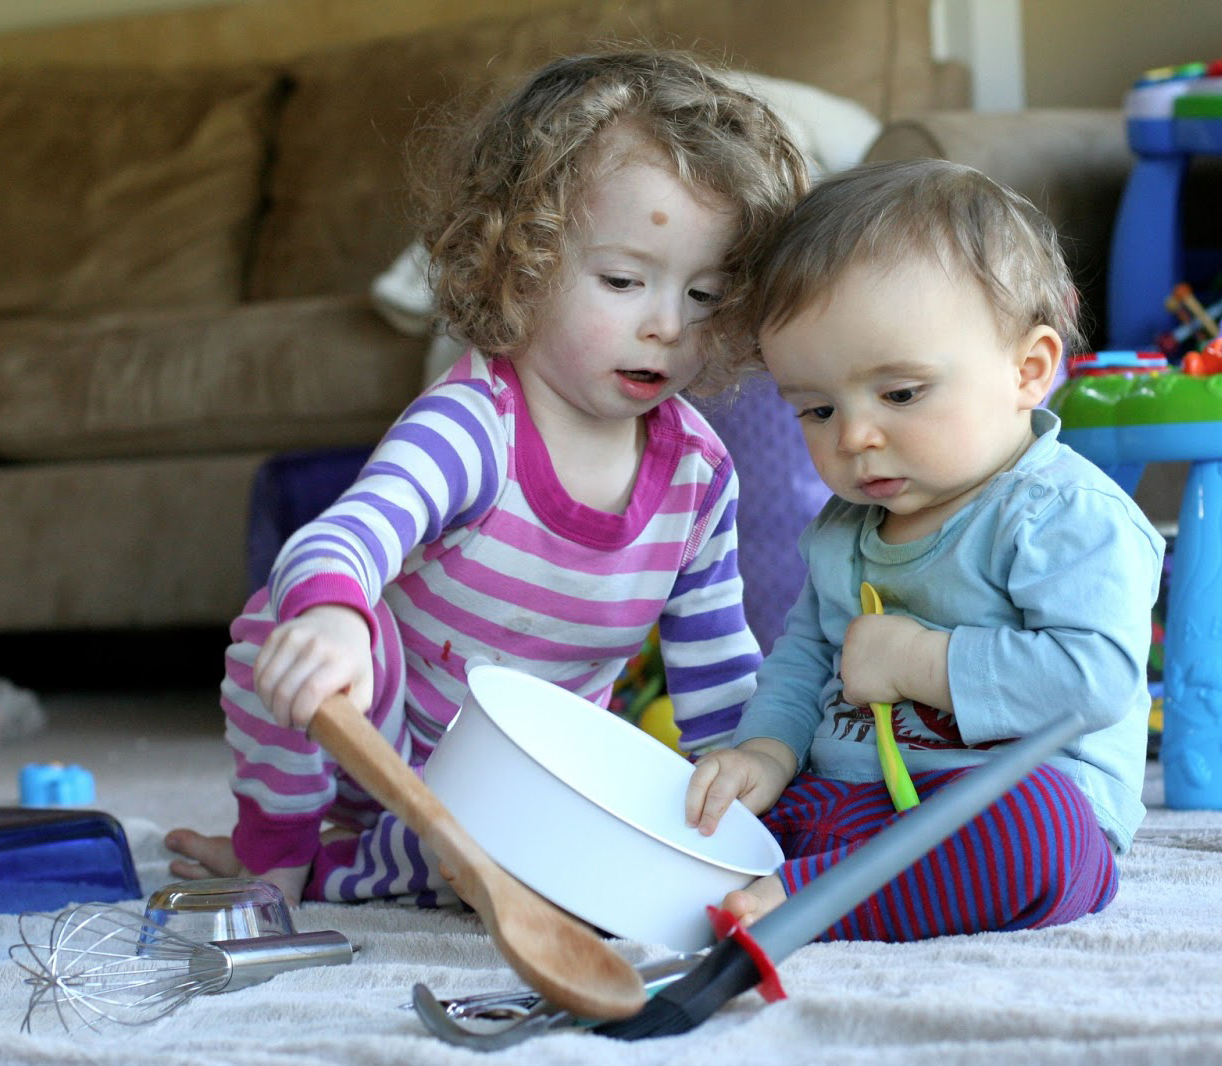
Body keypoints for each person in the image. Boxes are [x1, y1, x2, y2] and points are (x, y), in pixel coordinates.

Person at [165, 48, 807, 906]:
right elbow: (347, 535)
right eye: (623, 280)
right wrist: (332, 619)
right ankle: (276, 853)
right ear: (522, 263)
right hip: (376, 736)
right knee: (269, 634)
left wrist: (742, 814)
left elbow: (717, 670)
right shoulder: (474, 425)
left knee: (534, 878)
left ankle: (369, 867)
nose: (665, 325)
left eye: (705, 295)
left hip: (528, 772)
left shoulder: (699, 473)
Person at [685, 159, 1165, 940]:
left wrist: (921, 662)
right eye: (814, 409)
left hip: (993, 806)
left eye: (900, 394)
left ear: (1028, 370)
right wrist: (766, 753)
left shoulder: (1064, 515)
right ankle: (781, 877)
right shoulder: (845, 528)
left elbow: (1096, 684)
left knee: (1041, 836)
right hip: (849, 802)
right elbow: (803, 658)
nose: (853, 436)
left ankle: (812, 899)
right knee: (699, 808)